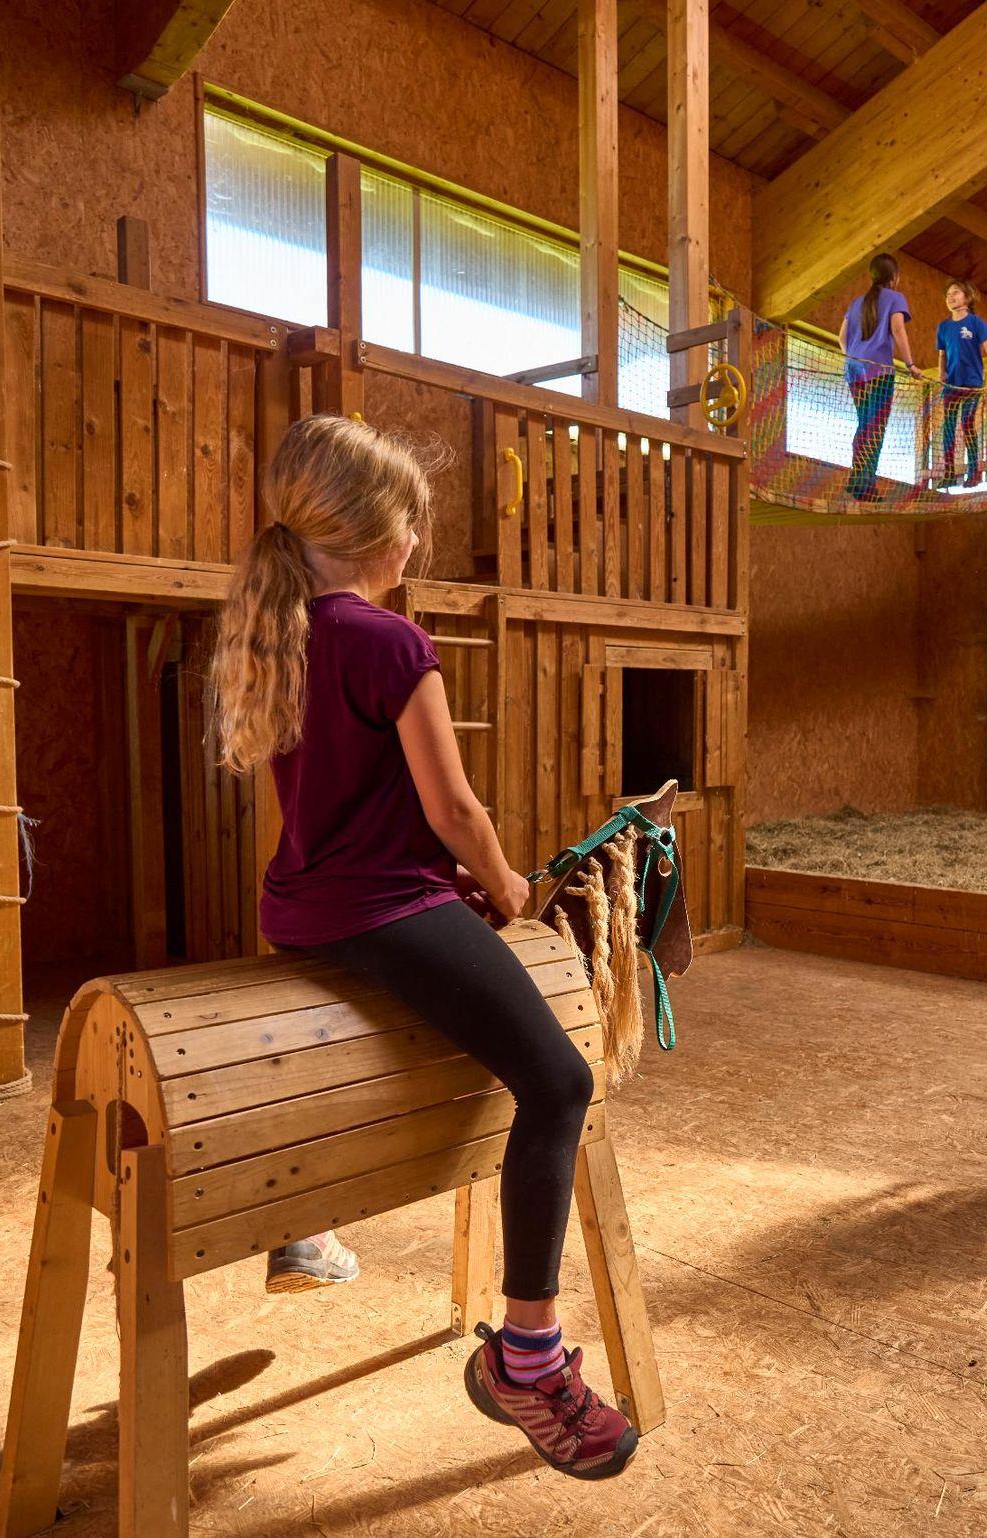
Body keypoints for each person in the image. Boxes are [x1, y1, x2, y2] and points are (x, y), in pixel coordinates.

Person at [211, 415, 638, 1481]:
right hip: (383, 910)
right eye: (413, 522)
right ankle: (526, 1359)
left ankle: (315, 1223)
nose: (417, 541)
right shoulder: (391, 641)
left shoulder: (286, 630)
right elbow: (453, 808)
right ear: (379, 533)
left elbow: (353, 805)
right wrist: (509, 887)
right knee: (559, 1080)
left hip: (302, 907)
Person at [839, 252, 914, 500]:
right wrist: (910, 364)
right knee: (875, 427)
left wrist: (853, 357)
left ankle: (856, 480)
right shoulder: (895, 298)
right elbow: (898, 330)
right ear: (895, 277)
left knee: (864, 423)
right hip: (879, 369)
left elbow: (842, 338)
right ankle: (866, 486)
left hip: (854, 370)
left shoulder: (856, 302)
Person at [934, 278, 987, 489]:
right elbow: (942, 354)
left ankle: (973, 473)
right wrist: (941, 373)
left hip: (972, 383)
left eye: (955, 292)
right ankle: (948, 473)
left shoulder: (975, 323)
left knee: (967, 423)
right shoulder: (943, 327)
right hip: (951, 385)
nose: (951, 297)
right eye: (948, 294)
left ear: (967, 297)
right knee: (948, 427)